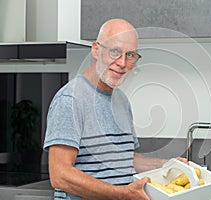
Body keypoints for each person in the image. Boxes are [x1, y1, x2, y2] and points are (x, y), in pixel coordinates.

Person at [43, 18, 187, 200]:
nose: (122, 62)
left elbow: (126, 160)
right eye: (115, 52)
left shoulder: (121, 100)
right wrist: (122, 194)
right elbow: (60, 176)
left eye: (130, 55)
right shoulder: (71, 99)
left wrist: (168, 166)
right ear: (96, 49)